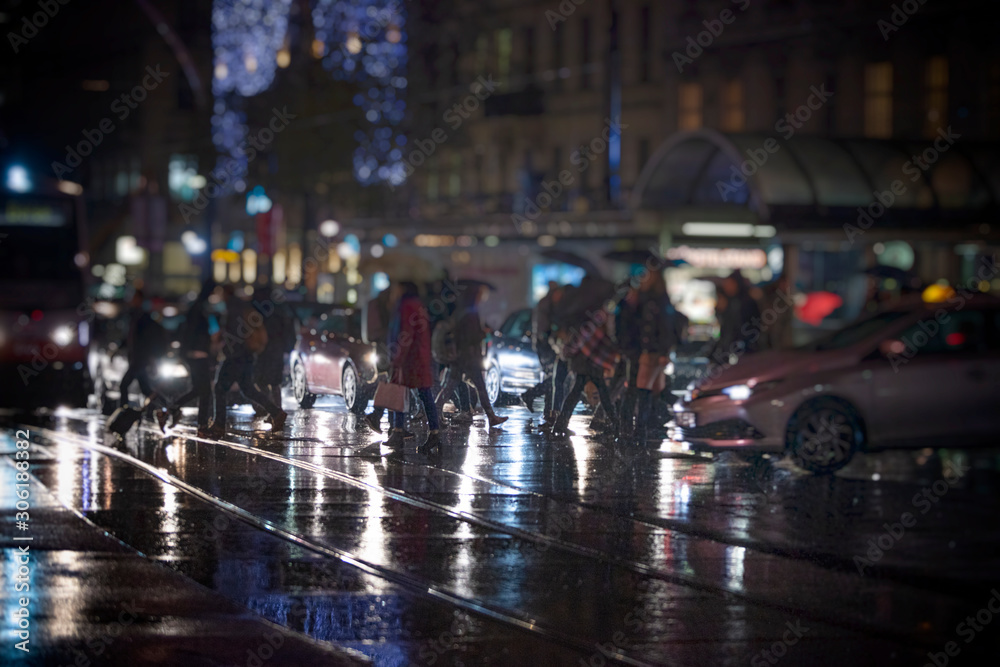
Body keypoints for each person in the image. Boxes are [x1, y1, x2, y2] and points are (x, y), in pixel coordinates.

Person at [206, 285, 287, 438]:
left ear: (225, 294)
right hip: (246, 355)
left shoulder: (233, 308)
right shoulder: (241, 306)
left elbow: (235, 335)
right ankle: (276, 413)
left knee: (219, 388)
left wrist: (225, 351)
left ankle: (218, 425)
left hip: (235, 357)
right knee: (248, 389)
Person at [434, 284, 508, 428]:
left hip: (462, 357)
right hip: (468, 357)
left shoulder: (462, 311)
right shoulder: (470, 313)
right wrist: (483, 333)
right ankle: (491, 417)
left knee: (454, 386)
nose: (482, 298)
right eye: (480, 294)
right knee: (472, 386)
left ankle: (435, 413)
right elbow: (470, 337)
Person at [383, 282, 441, 453]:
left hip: (410, 358)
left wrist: (397, 356)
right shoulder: (418, 305)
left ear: (403, 288)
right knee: (423, 393)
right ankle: (432, 433)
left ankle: (399, 431)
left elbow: (406, 332)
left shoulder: (406, 306)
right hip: (419, 355)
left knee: (400, 391)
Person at [550, 309, 619, 439]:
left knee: (578, 393)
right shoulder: (599, 316)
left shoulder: (595, 314)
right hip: (589, 363)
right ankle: (616, 426)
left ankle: (560, 425)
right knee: (602, 394)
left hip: (585, 362)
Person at [160, 280, 217, 435]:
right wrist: (198, 350)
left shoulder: (196, 307)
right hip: (198, 355)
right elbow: (193, 332)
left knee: (199, 389)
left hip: (195, 354)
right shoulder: (199, 309)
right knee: (204, 391)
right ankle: (202, 426)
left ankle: (169, 411)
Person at [630, 271, 679, 444]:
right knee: (657, 389)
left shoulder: (653, 300)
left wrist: (662, 351)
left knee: (643, 387)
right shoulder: (656, 299)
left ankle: (641, 430)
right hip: (656, 350)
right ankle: (653, 423)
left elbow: (659, 327)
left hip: (652, 351)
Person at [117, 288, 166, 417]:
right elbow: (130, 337)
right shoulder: (133, 315)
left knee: (124, 385)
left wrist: (148, 357)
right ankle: (168, 406)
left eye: (134, 298)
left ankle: (122, 414)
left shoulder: (143, 317)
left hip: (139, 359)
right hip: (137, 358)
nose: (131, 300)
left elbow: (146, 340)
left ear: (139, 299)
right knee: (146, 390)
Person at [519, 281, 561, 417]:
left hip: (541, 343)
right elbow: (548, 326)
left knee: (551, 377)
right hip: (546, 345)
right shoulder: (550, 305)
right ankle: (530, 395)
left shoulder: (542, 303)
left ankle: (548, 412)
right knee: (553, 377)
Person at [252, 285, 296, 413]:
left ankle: (267, 407)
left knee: (262, 380)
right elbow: (289, 330)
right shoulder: (279, 310)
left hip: (264, 350)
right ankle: (275, 408)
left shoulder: (260, 310)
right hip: (276, 349)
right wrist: (287, 348)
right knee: (274, 381)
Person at [715, 270, 761, 366]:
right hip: (732, 351)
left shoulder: (745, 302)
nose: (726, 287)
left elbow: (744, 327)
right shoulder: (730, 302)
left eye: (729, 284)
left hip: (744, 352)